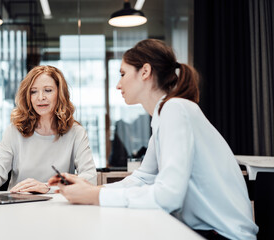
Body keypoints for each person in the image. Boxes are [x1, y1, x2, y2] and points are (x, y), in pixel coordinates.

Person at [48, 39, 258, 240]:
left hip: (222, 235)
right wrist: (89, 188)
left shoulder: (176, 109)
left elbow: (168, 196)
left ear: (145, 72)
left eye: (122, 74)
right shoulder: (164, 114)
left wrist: (93, 196)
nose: (118, 85)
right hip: (204, 231)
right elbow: (143, 178)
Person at [0, 65, 97, 195]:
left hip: (58, 208)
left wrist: (47, 188)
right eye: (33, 92)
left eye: (48, 90)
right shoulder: (14, 131)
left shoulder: (76, 132)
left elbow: (90, 178)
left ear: (60, 94)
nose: (40, 97)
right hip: (19, 207)